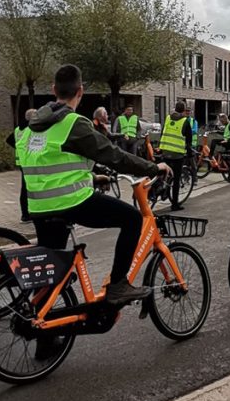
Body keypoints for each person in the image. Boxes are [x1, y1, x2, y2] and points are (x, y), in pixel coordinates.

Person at [23, 64, 172, 306]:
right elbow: (115, 156)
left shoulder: (32, 128)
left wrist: (91, 177)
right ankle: (118, 286)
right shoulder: (73, 123)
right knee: (132, 219)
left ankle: (41, 325)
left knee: (51, 270)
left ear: (53, 90)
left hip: (39, 206)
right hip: (70, 202)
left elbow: (47, 164)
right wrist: (154, 167)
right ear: (80, 91)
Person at [158, 101, 194, 211]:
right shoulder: (185, 121)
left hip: (165, 151)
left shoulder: (168, 118)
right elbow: (189, 139)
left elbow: (163, 133)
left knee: (165, 173)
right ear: (183, 110)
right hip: (177, 154)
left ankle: (162, 191)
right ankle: (175, 204)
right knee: (176, 179)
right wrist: (189, 152)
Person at [6, 108, 37, 223]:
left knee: (25, 188)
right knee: (30, 187)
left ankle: (25, 213)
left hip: (22, 162)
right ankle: (27, 214)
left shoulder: (18, 129)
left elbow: (9, 140)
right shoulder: (31, 129)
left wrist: (18, 148)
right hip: (30, 161)